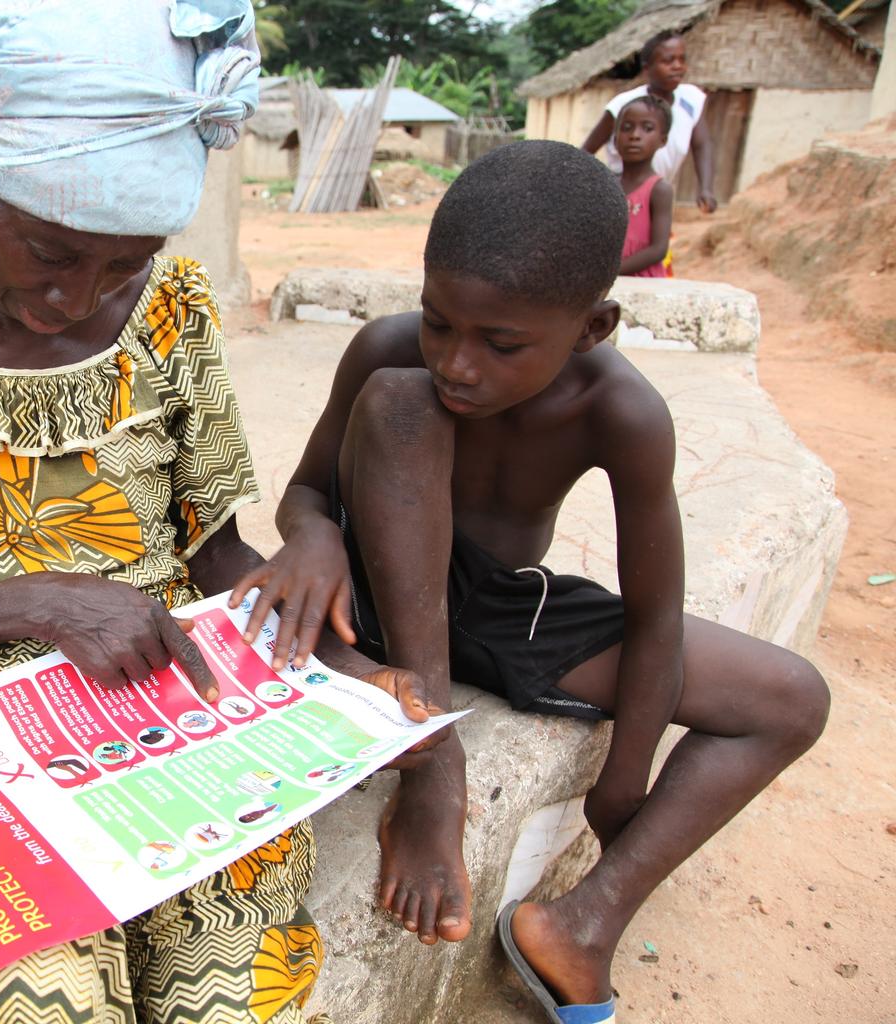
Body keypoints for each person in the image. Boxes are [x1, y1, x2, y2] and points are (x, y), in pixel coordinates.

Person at [0, 3, 429, 1021]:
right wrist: (47, 601)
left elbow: (216, 550)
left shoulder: (173, 306)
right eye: (49, 251)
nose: (81, 295)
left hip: (177, 704)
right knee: (46, 1005)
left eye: (121, 261)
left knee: (228, 998)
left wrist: (346, 677)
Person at [233, 141, 829, 1022]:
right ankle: (434, 770)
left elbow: (658, 615)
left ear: (592, 328)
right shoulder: (390, 354)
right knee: (403, 406)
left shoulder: (622, 413)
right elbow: (308, 490)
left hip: (502, 606)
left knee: (790, 698)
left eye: (501, 342)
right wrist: (314, 533)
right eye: (440, 320)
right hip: (366, 602)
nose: (458, 363)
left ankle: (582, 927)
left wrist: (624, 777)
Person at [582, 30, 717, 214]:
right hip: (621, 192)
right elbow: (585, 151)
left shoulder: (691, 99)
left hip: (655, 192)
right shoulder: (624, 105)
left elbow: (702, 144)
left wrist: (705, 188)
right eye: (668, 61)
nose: (677, 66)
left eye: (682, 59)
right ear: (647, 68)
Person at [614, 96, 674, 278]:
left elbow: (658, 249)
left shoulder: (659, 190)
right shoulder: (606, 185)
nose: (634, 135)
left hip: (644, 283)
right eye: (626, 128)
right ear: (615, 137)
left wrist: (611, 272)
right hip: (605, 283)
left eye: (647, 128)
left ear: (662, 140)